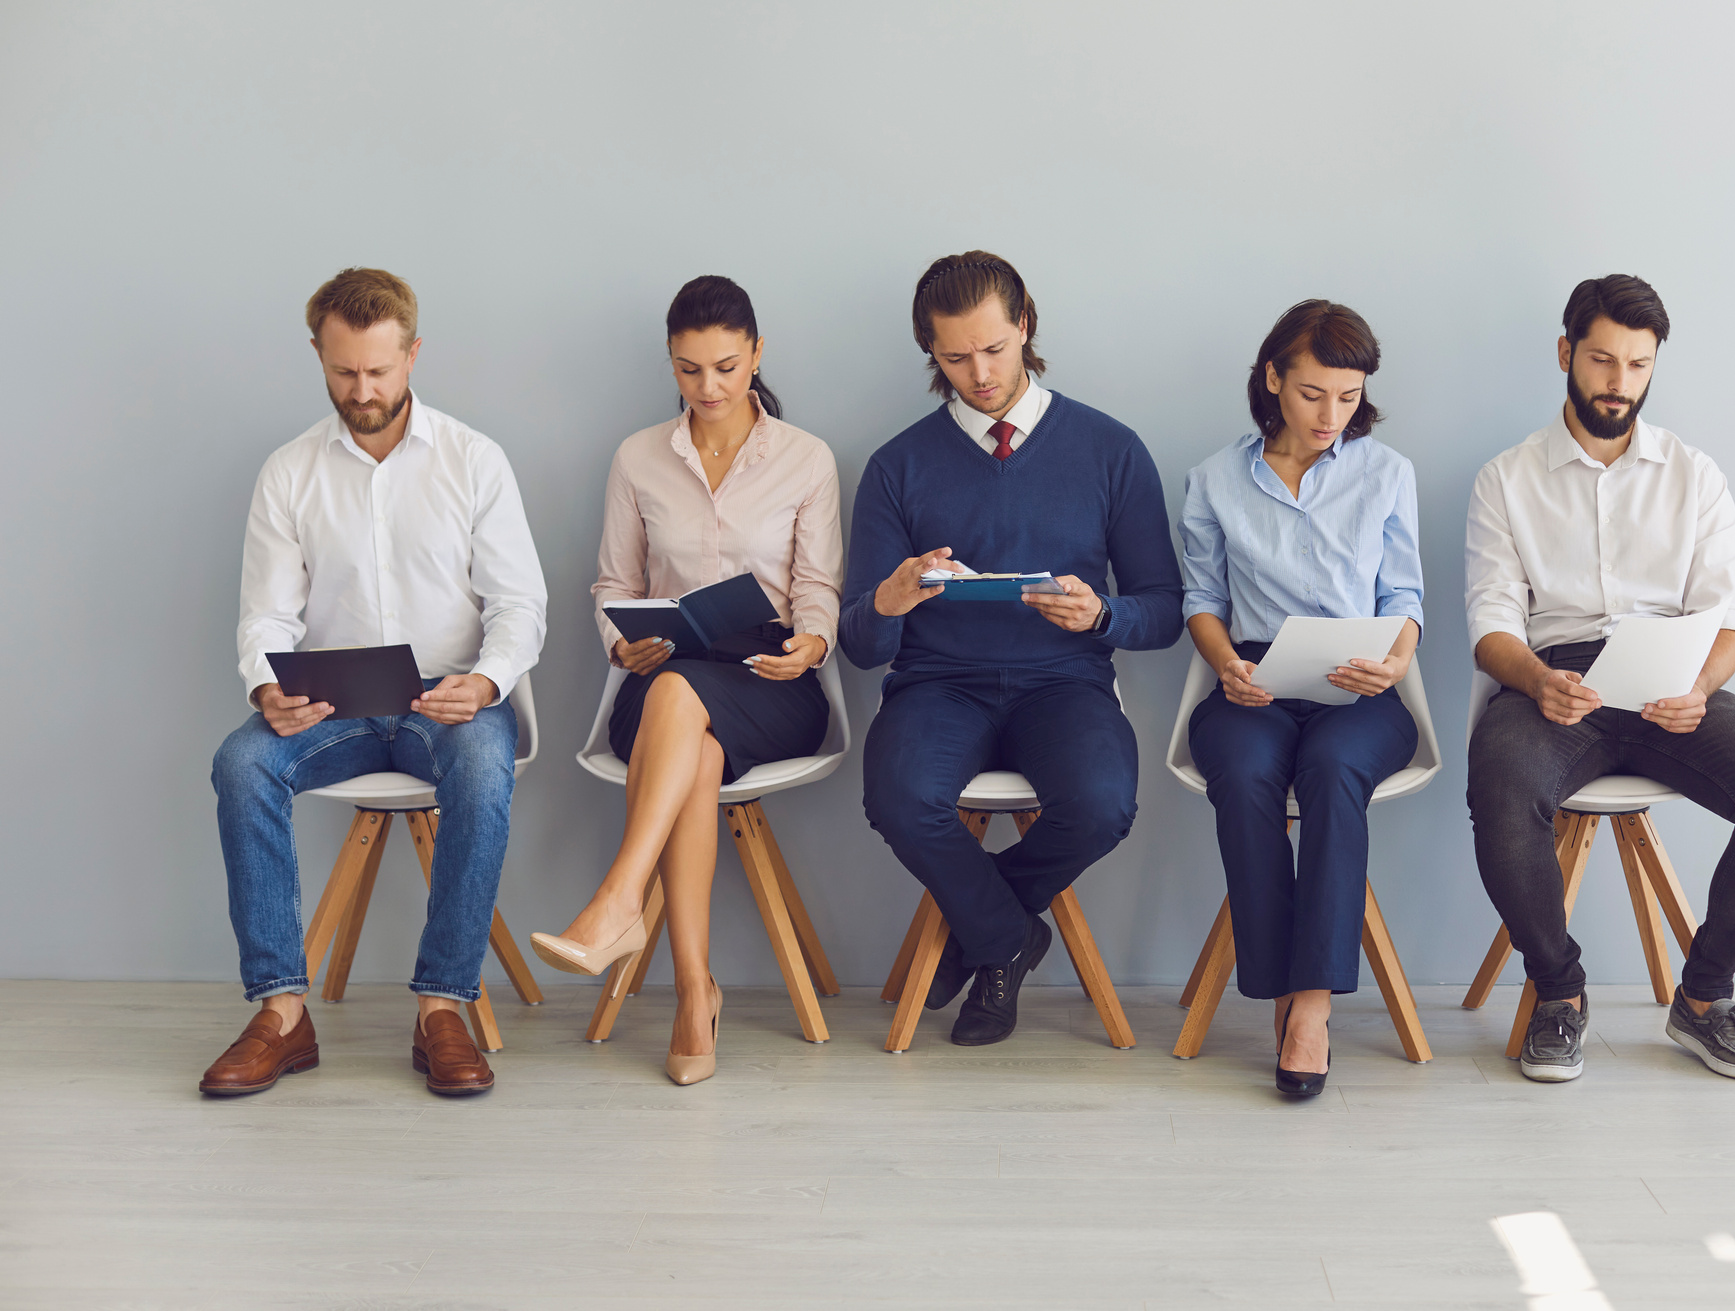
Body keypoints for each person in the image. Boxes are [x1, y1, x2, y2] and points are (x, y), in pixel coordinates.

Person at [202, 268, 548, 1097]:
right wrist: (264, 687)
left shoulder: (474, 459)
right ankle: (282, 1011)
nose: (363, 390)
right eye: (344, 372)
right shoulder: (288, 473)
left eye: (380, 372)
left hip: (448, 695)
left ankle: (441, 1009)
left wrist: (488, 682)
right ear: (319, 356)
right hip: (335, 700)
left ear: (413, 353)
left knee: (478, 765)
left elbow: (520, 604)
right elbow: (266, 616)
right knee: (240, 764)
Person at [1465, 274, 1735, 1083]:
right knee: (1500, 787)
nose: (1618, 382)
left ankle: (1704, 999)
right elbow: (1491, 625)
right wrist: (1536, 679)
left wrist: (1700, 686)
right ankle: (1559, 994)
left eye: (1636, 364)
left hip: (1671, 681)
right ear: (1566, 354)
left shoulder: (1696, 476)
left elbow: (1731, 619)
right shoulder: (1506, 479)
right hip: (1553, 682)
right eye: (1600, 360)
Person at [842, 250, 1183, 1047]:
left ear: (1024, 324)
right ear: (930, 352)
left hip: (1064, 683)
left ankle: (980, 932)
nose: (980, 373)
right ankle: (1007, 940)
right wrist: (891, 596)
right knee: (897, 796)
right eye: (955, 357)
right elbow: (861, 642)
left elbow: (1163, 610)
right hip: (937, 686)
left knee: (1103, 803)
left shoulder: (1110, 448)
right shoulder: (897, 466)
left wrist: (1101, 616)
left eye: (994, 348)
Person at [528, 276, 840, 1086]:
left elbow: (818, 588)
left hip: (771, 680)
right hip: (663, 675)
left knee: (687, 708)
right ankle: (693, 991)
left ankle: (618, 903)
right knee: (686, 731)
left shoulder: (806, 458)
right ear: (670, 364)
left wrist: (809, 644)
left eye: (728, 367)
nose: (710, 388)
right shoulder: (638, 457)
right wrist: (617, 640)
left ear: (757, 354)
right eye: (690, 370)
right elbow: (611, 585)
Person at [1180, 300, 1423, 1098]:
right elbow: (1202, 598)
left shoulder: (1386, 472)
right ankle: (1276, 992)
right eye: (1315, 392)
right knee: (1246, 774)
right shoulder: (1216, 478)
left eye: (1349, 396)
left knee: (1330, 771)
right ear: (1273, 378)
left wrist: (1394, 662)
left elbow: (1405, 597)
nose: (1332, 415)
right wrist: (1224, 663)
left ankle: (1310, 1005)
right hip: (1252, 675)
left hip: (1359, 682)